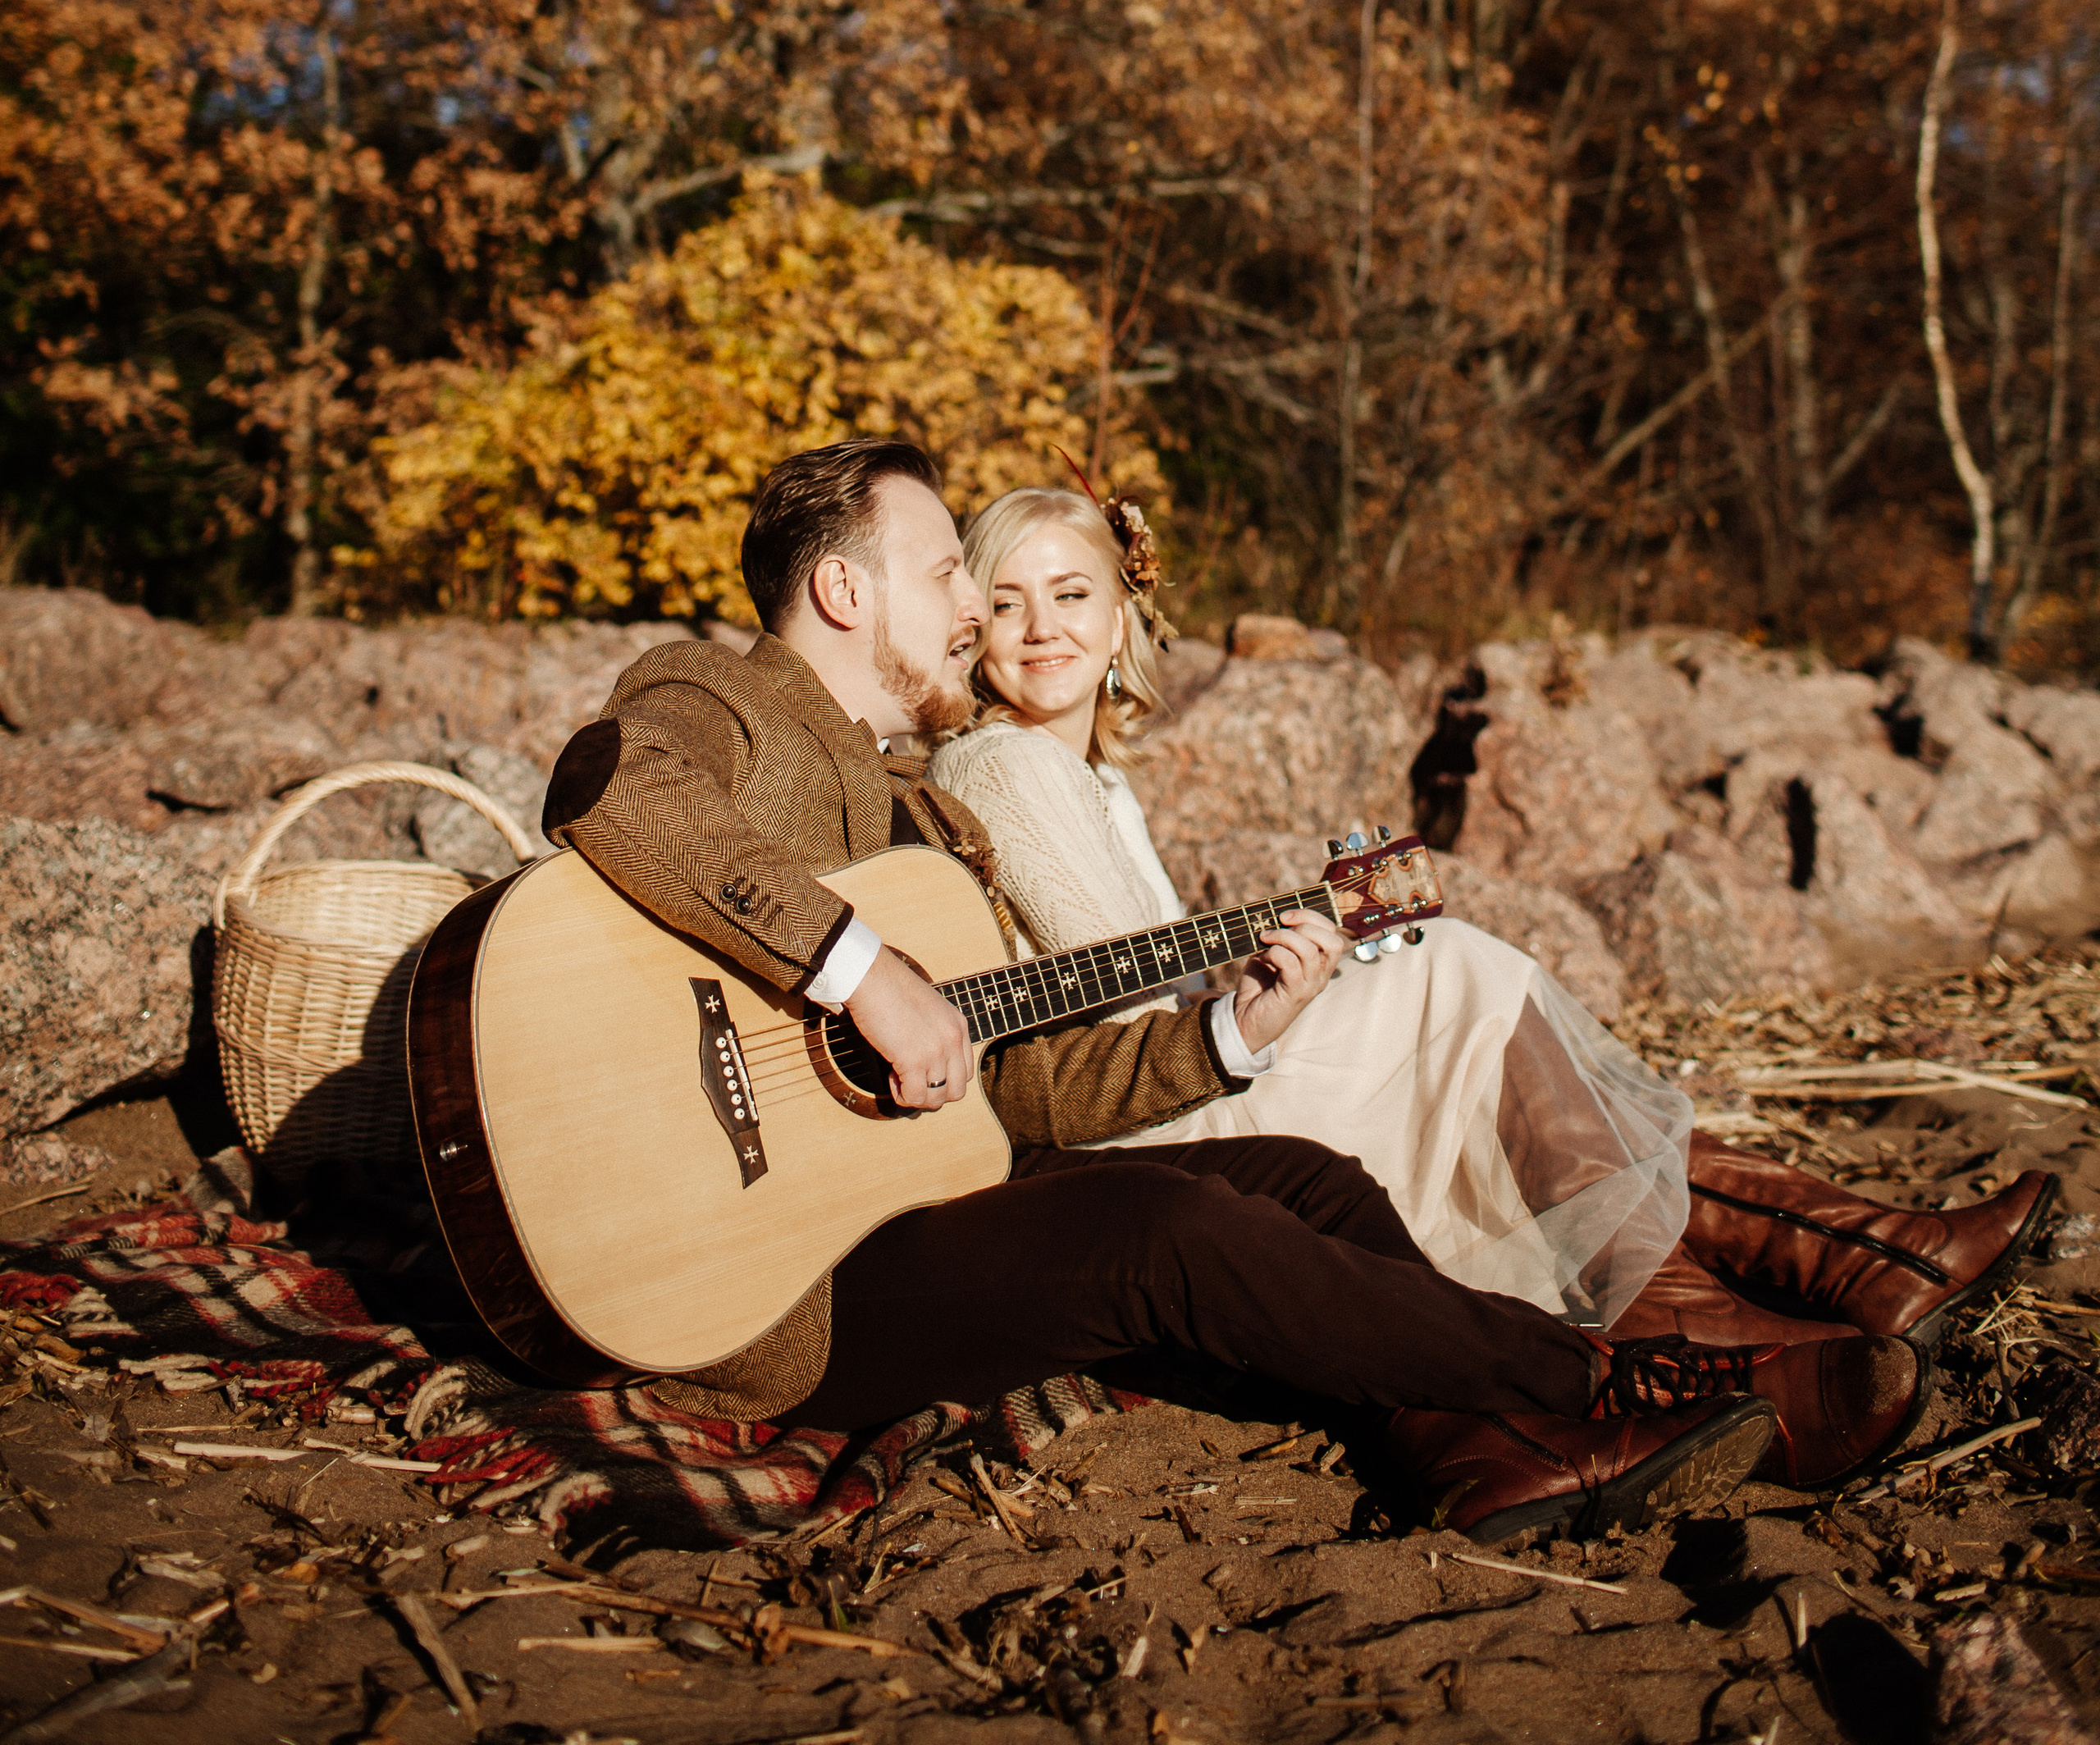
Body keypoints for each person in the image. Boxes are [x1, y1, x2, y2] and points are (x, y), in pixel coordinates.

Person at [542, 437, 1921, 1542]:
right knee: (1166, 1229)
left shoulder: (925, 826)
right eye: (945, 572)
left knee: (1301, 1182)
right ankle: (1610, 1382)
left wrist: (1225, 1034)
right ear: (844, 591)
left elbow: (1018, 1075)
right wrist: (862, 976)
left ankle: (1483, 1453)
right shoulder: (723, 706)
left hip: (920, 1199)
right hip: (780, 1285)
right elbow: (617, 787)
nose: (974, 607)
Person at [931, 483, 2054, 1387]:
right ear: (974, 629)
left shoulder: (1091, 777)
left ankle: (1817, 1282)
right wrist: (1280, 994)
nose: (1044, 629)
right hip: (1130, 1123)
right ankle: (1777, 1298)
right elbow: (1131, 1002)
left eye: (1072, 594)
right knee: (1463, 979)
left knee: (1496, 1044)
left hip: (1170, 1073)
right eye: (1012, 602)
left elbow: (1150, 983)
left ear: (1120, 617)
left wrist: (1284, 978)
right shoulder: (1004, 763)